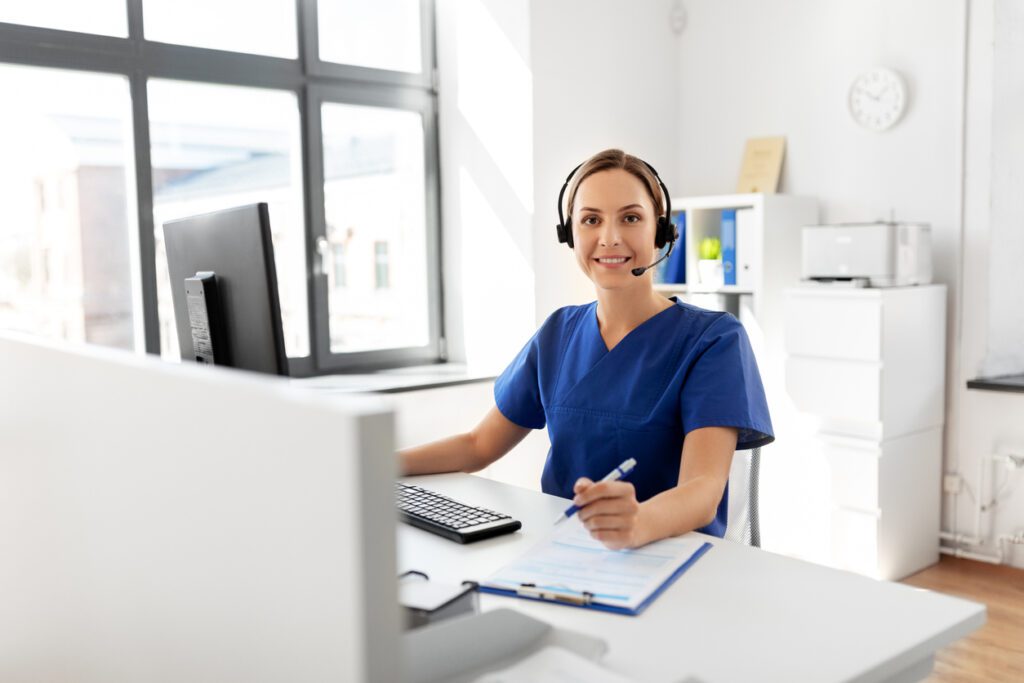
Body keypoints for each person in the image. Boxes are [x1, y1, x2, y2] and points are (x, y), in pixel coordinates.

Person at [400, 149, 773, 550]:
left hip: (672, 559)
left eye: (630, 218)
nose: (609, 237)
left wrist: (639, 522)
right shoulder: (558, 333)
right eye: (591, 220)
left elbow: (703, 491)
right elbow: (478, 446)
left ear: (660, 231)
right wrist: (374, 464)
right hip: (565, 554)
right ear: (570, 233)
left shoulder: (714, 340)